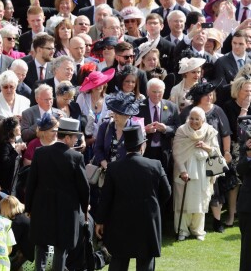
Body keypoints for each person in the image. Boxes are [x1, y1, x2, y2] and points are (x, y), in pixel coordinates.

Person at [95, 126, 171, 271]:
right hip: (147, 221)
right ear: (143, 145)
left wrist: (100, 220)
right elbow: (166, 192)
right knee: (145, 262)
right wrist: (152, 205)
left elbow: (106, 198)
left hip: (120, 222)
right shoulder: (155, 165)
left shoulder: (114, 168)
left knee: (118, 261)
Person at [25, 118, 90, 271]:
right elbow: (84, 188)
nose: (76, 141)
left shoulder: (40, 153)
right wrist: (85, 209)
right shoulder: (76, 157)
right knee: (61, 249)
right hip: (66, 212)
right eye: (75, 138)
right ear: (67, 137)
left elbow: (31, 183)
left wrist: (29, 208)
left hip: (41, 208)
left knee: (40, 247)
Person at [180, 81, 232, 233]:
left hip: (212, 154)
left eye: (211, 95)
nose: (209, 97)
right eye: (206, 95)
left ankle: (217, 221)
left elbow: (225, 133)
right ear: (198, 97)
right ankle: (191, 224)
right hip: (192, 157)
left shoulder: (218, 111)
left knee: (215, 189)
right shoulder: (189, 112)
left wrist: (227, 151)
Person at [173, 106, 221, 241]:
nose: (194, 121)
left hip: (203, 172)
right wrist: (182, 171)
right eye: (191, 118)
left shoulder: (209, 131)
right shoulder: (182, 130)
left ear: (203, 119)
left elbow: (216, 153)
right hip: (185, 171)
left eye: (197, 119)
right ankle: (182, 230)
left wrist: (205, 147)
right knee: (183, 200)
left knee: (201, 201)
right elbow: (177, 153)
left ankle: (198, 230)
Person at [223, 75, 251, 227]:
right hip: (236, 145)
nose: (249, 94)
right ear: (238, 91)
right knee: (234, 183)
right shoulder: (229, 105)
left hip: (250, 145)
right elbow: (238, 129)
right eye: (246, 91)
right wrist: (245, 108)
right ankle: (231, 214)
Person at [0, 116, 26, 194]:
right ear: (12, 130)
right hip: (4, 185)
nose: (20, 126)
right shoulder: (3, 145)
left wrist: (22, 150)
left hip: (14, 182)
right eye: (17, 125)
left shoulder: (15, 143)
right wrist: (16, 150)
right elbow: (5, 164)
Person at [0, 195, 35, 270]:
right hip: (39, 255)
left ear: (6, 209)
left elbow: (12, 247)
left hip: (34, 259)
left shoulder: (17, 222)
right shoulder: (23, 217)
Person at [237, 145, 251, 271]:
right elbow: (239, 170)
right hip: (248, 205)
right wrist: (249, 156)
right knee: (247, 249)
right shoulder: (245, 147)